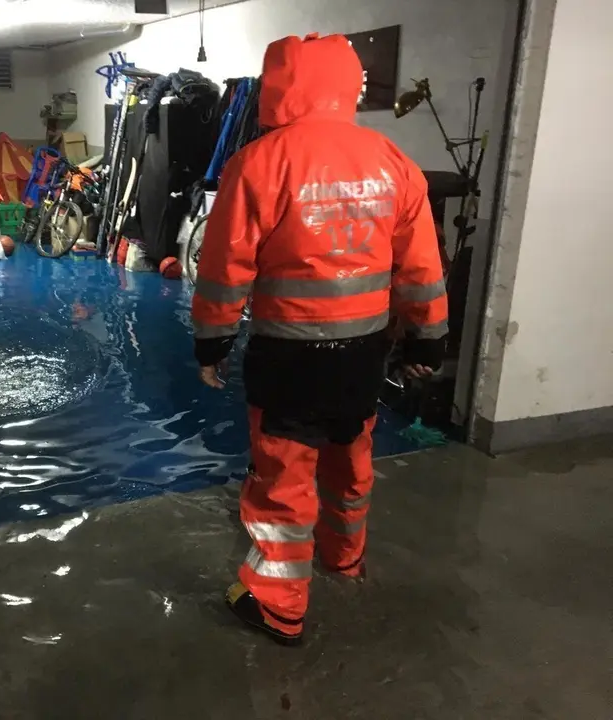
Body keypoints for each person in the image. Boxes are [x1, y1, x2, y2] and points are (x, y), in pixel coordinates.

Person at [192, 33, 448, 645]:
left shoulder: (257, 163)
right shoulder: (393, 161)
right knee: (350, 460)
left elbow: (226, 268)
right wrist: (426, 344)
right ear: (347, 84)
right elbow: (422, 268)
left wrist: (213, 343)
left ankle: (278, 604)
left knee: (283, 480)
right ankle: (345, 558)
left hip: (288, 357)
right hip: (363, 355)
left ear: (277, 85)